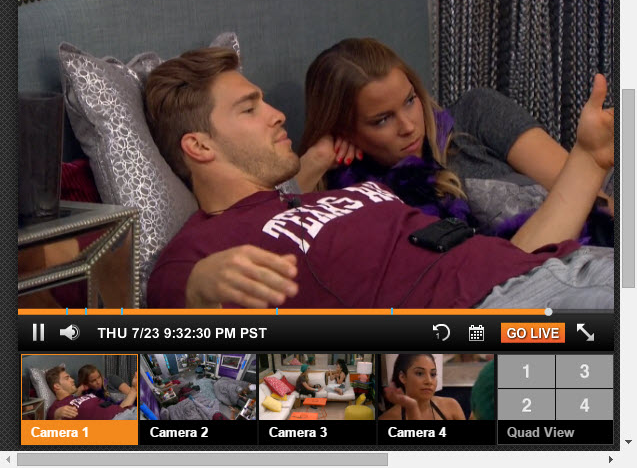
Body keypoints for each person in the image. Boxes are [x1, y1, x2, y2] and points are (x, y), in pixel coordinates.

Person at [144, 46, 612, 310]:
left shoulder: (335, 197)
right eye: (250, 109)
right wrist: (201, 286)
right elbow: (170, 299)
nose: (277, 114)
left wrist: (589, 160)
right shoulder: (205, 245)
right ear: (199, 146)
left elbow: (508, 260)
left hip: (557, 267)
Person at [297, 38, 614, 242]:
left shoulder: (476, 113)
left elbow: (593, 198)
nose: (408, 126)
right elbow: (276, 226)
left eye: (409, 100)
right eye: (382, 119)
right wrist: (315, 161)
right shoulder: (361, 202)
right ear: (344, 131)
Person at [379, 354, 465, 420]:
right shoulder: (388, 418)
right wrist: (411, 406)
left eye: (433, 374)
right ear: (403, 377)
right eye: (419, 373)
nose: (429, 381)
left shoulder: (451, 406)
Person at [45, 366, 137, 420]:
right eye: (67, 378)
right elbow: (50, 421)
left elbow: (119, 409)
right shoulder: (59, 406)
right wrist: (57, 414)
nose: (72, 380)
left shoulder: (85, 396)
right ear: (57, 386)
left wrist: (134, 389)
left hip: (128, 412)